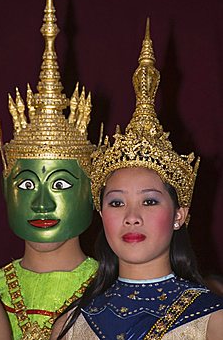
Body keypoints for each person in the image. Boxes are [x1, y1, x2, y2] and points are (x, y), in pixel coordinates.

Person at [51, 19, 223, 339]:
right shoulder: (71, 325)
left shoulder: (211, 321)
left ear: (179, 215)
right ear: (101, 215)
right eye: (117, 202)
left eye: (149, 201)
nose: (131, 217)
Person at [0, 0, 97, 339]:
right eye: (26, 183)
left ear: (94, 188)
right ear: (4, 186)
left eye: (60, 183)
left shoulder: (119, 291)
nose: (41, 203)